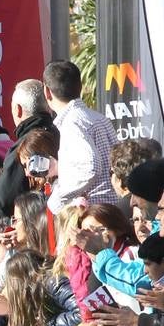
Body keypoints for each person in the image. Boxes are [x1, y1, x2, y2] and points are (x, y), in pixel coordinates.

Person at [42, 60, 118, 212]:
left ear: (47, 92)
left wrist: (58, 197)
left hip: (93, 215)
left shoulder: (72, 123)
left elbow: (91, 167)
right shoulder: (99, 118)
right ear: (80, 86)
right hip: (113, 209)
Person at [0, 79, 58, 222]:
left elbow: (3, 202)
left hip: (41, 229)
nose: (27, 173)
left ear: (18, 109)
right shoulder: (60, 132)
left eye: (30, 166)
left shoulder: (26, 146)